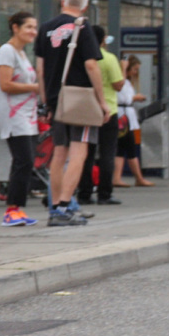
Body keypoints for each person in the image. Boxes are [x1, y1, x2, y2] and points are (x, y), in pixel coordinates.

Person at [35, 0, 109, 227]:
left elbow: (41, 69)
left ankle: (55, 206)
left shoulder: (45, 28)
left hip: (56, 100)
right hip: (80, 100)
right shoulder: (82, 27)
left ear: (63, 2)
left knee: (59, 153)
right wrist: (102, 101)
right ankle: (65, 206)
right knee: (80, 151)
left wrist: (46, 102)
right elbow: (91, 65)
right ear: (85, 4)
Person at [0, 12, 41, 227]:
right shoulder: (6, 51)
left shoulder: (22, 53)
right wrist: (35, 87)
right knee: (23, 161)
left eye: (34, 27)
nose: (33, 31)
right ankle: (12, 208)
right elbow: (6, 84)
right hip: (15, 117)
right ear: (15, 28)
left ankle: (18, 208)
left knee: (26, 162)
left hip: (28, 116)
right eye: (28, 27)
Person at [76, 26, 125, 206]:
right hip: (108, 110)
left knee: (85, 153)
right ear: (103, 39)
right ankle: (105, 193)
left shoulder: (80, 57)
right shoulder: (109, 58)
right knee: (107, 153)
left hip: (86, 110)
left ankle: (85, 193)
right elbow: (118, 85)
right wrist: (124, 70)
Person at [113, 55, 154, 188]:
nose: (136, 73)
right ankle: (138, 178)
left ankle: (118, 177)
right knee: (129, 146)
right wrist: (135, 98)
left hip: (126, 116)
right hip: (123, 116)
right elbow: (123, 97)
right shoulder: (121, 80)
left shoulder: (128, 82)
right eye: (135, 69)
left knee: (122, 148)